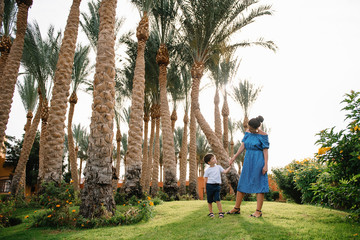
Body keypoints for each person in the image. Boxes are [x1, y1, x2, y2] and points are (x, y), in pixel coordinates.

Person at [227, 115, 269, 218]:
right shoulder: (248, 132)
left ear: (257, 128)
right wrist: (234, 157)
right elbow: (243, 146)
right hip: (248, 160)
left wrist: (266, 165)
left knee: (259, 185)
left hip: (258, 160)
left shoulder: (263, 135)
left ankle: (258, 211)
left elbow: (265, 151)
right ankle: (236, 208)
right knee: (242, 183)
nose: (249, 130)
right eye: (248, 128)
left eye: (251, 129)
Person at [203, 153, 233, 219]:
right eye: (213, 159)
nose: (215, 159)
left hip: (217, 186)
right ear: (209, 162)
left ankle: (221, 213)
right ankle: (211, 213)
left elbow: (224, 171)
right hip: (209, 186)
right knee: (209, 201)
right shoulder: (207, 170)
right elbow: (205, 180)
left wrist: (230, 167)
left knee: (218, 199)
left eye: (214, 158)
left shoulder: (218, 167)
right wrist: (205, 188)